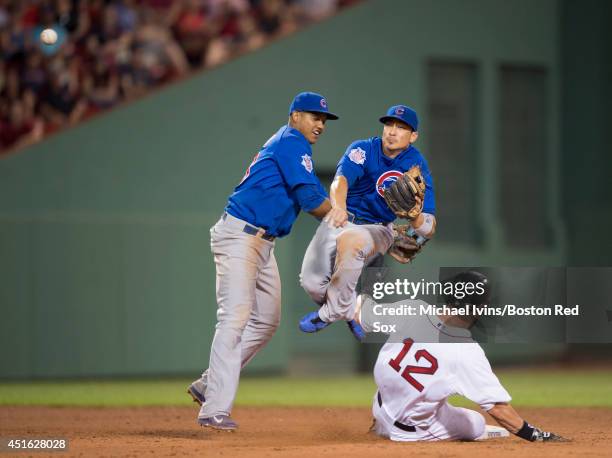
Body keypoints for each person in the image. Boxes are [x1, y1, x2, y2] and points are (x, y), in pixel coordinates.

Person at [187, 92, 338, 431]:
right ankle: (214, 410)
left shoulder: (296, 147)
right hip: (241, 235)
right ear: (295, 115)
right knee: (234, 318)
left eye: (324, 120)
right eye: (314, 116)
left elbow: (313, 195)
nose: (320, 124)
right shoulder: (291, 141)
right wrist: (352, 225)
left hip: (262, 242)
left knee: (267, 320)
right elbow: (311, 198)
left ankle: (210, 383)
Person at [354, 271, 568, 442]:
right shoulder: (466, 351)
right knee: (475, 422)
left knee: (430, 399)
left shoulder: (413, 308)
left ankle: (381, 424)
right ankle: (480, 432)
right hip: (412, 432)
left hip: (381, 406)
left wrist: (364, 287)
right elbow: (498, 408)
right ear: (479, 308)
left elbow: (360, 312)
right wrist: (534, 434)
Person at [298, 105, 436, 339]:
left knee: (353, 241)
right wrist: (339, 207)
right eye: (389, 124)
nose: (392, 131)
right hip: (342, 218)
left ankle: (329, 314)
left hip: (377, 228)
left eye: (401, 127)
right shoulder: (363, 149)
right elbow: (339, 181)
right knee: (311, 283)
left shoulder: (417, 164)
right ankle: (353, 310)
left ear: (413, 136)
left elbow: (428, 227)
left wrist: (415, 216)